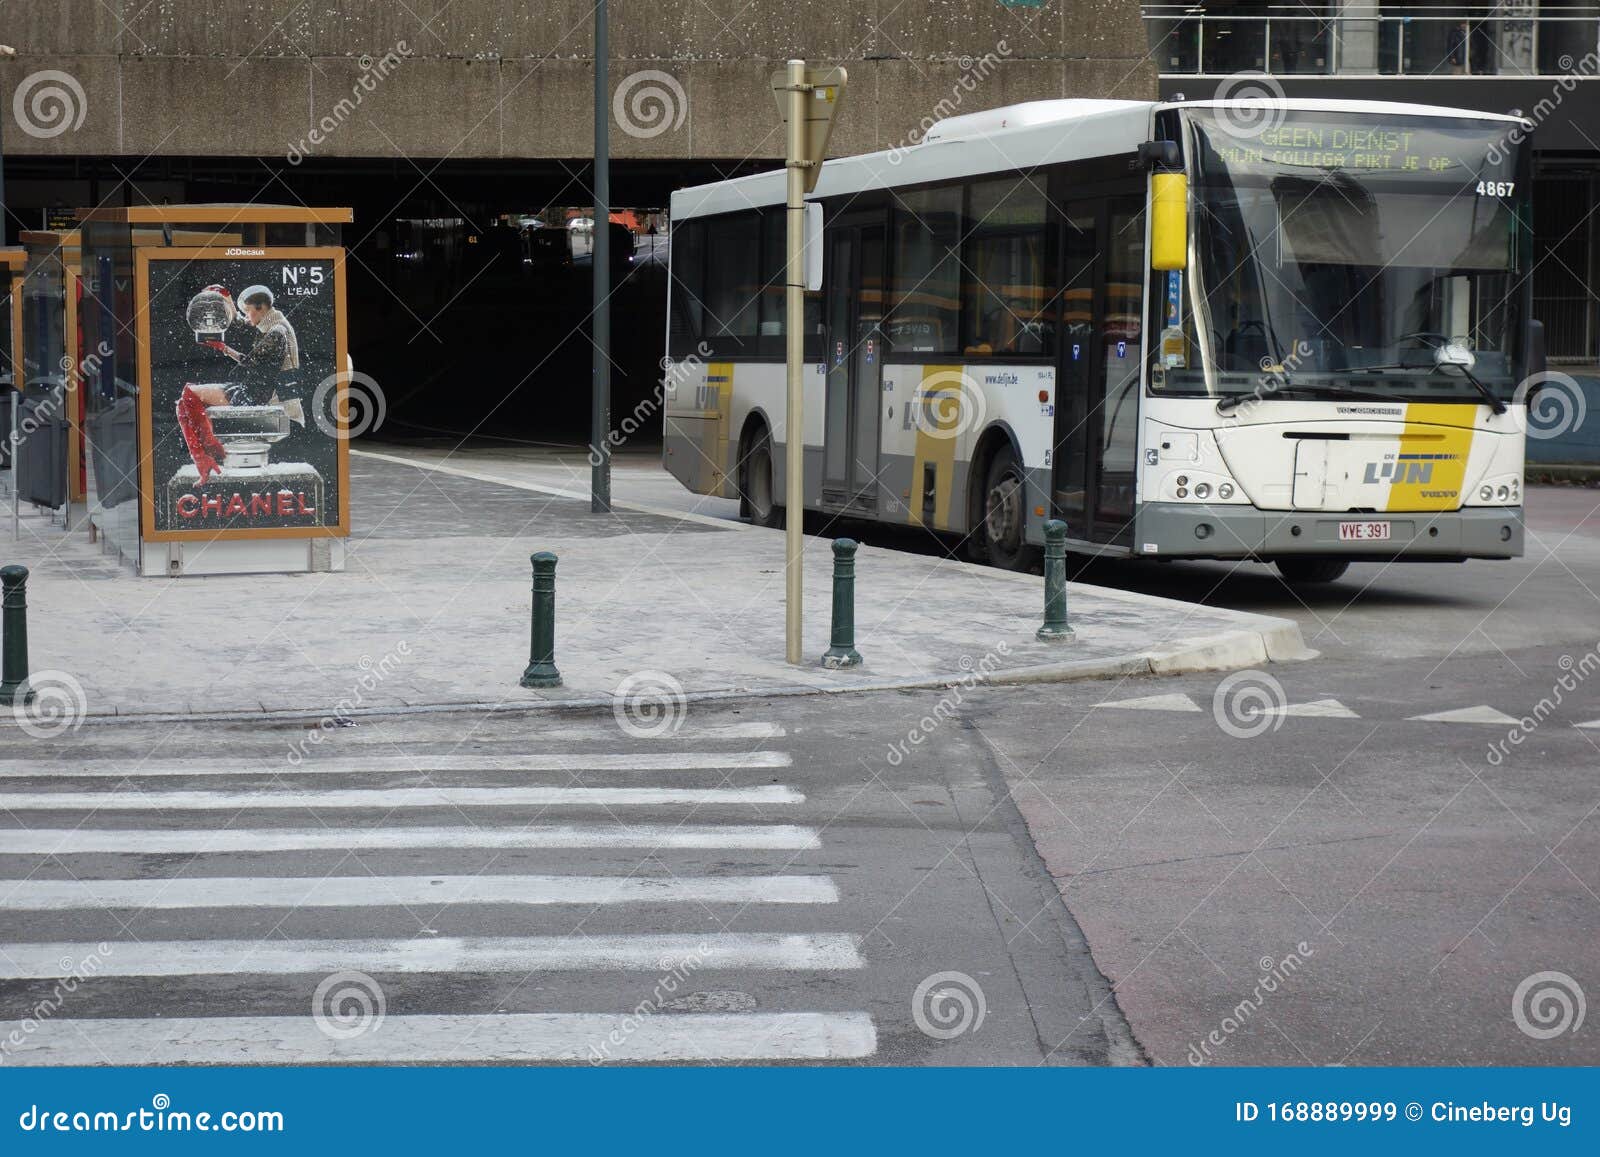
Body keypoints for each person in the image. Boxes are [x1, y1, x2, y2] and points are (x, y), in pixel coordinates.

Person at [175, 285, 303, 485]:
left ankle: (207, 452)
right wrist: (227, 298)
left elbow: (250, 361)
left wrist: (223, 348)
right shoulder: (274, 322)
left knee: (189, 393)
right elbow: (241, 322)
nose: (247, 318)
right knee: (184, 401)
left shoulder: (277, 332)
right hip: (255, 389)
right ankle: (204, 455)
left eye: (249, 311)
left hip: (258, 394)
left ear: (261, 308)